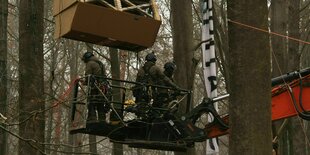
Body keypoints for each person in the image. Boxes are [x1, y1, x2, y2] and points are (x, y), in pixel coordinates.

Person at [82, 52, 109, 123]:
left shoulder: (90, 63)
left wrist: (84, 82)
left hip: (95, 86)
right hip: (103, 86)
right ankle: (102, 119)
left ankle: (92, 119)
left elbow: (88, 75)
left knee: (91, 102)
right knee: (100, 102)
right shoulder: (100, 63)